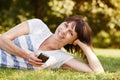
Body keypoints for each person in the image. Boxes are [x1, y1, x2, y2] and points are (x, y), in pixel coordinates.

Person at [0, 15, 104, 73]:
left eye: (70, 33)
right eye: (66, 25)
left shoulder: (61, 58)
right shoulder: (37, 25)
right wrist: (26, 55)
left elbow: (98, 71)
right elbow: (2, 39)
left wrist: (83, 45)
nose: (63, 31)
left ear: (73, 41)